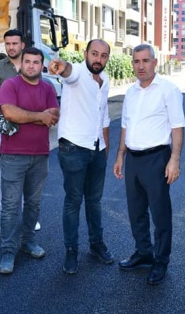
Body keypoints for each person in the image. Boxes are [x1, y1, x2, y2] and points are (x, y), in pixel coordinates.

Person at [113, 44, 185, 286]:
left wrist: (174, 160)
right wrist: (120, 154)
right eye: (136, 61)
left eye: (145, 61)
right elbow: (125, 125)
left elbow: (177, 126)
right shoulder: (131, 92)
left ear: (155, 62)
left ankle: (161, 260)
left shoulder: (168, 90)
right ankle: (144, 252)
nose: (140, 66)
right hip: (132, 158)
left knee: (160, 212)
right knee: (136, 212)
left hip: (157, 158)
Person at [48, 39, 114, 275]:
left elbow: (104, 115)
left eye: (104, 56)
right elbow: (67, 70)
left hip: (97, 149)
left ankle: (96, 245)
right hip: (74, 148)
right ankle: (71, 250)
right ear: (85, 53)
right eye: (94, 54)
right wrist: (59, 65)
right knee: (73, 201)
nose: (98, 59)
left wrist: (106, 148)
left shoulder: (105, 80)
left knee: (95, 201)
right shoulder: (76, 73)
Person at [0, 47, 60, 275]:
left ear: (42, 65)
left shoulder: (48, 87)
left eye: (36, 62)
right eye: (28, 62)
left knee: (33, 204)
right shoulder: (10, 85)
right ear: (21, 64)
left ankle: (28, 241)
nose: (31, 65)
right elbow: (10, 114)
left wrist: (33, 117)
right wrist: (39, 117)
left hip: (40, 155)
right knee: (11, 206)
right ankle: (7, 251)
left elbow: (53, 115)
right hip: (13, 155)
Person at [0, 29, 40, 234]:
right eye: (7, 44)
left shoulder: (32, 65)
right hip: (4, 130)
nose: (11, 47)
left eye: (15, 43)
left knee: (29, 175)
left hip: (30, 129)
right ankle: (2, 217)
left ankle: (28, 219)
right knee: (2, 176)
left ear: (22, 45)